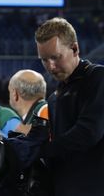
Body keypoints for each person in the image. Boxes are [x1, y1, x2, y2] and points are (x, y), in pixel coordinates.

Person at [33, 17, 104, 196]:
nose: (50, 66)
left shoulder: (98, 78)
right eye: (44, 60)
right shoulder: (53, 97)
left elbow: (87, 133)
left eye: (56, 57)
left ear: (74, 48)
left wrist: (39, 149)